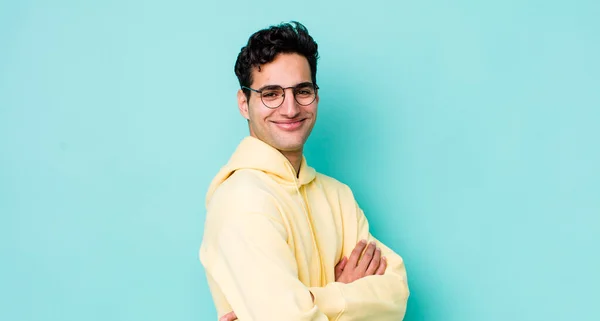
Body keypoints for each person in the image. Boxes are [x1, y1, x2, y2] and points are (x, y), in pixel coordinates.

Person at [199, 21, 409, 321]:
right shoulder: (241, 199)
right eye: (271, 93)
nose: (290, 108)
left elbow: (396, 293)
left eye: (302, 90)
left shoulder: (338, 196)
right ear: (244, 104)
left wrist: (317, 298)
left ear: (316, 97)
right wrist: (350, 297)